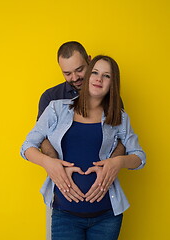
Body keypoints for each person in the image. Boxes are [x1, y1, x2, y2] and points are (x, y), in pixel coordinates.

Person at [21, 55, 146, 240]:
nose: (98, 79)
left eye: (106, 76)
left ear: (113, 84)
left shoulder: (119, 117)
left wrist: (118, 162)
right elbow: (27, 146)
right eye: (95, 72)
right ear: (88, 76)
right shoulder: (56, 109)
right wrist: (49, 163)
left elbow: (139, 157)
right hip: (65, 214)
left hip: (107, 216)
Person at [37, 41, 125, 202]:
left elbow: (121, 138)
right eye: (67, 73)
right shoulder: (51, 98)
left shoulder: (111, 97)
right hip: (61, 194)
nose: (75, 78)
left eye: (79, 70)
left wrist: (110, 166)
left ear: (90, 61)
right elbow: (40, 138)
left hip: (103, 195)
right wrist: (55, 165)